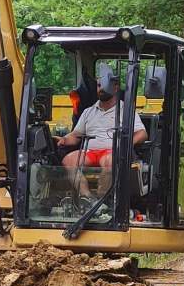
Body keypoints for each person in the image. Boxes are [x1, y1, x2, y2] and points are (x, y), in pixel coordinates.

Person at [56, 72, 147, 200]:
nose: (101, 89)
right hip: (91, 151)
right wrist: (65, 140)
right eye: (99, 85)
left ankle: (103, 200)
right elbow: (76, 135)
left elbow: (142, 133)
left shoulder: (125, 111)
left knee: (111, 161)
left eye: (105, 85)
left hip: (111, 152)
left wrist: (127, 144)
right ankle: (86, 198)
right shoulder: (88, 111)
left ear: (116, 87)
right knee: (69, 160)